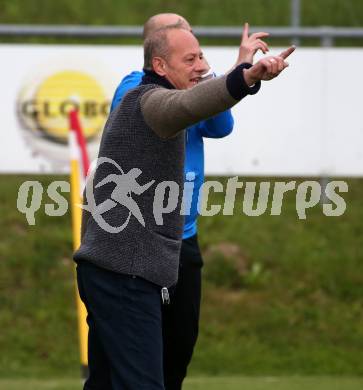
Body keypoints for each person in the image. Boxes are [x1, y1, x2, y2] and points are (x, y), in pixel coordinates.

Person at [74, 23, 294, 390]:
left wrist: (240, 71)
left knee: (107, 384)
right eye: (190, 59)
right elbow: (189, 104)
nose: (200, 66)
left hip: (118, 269)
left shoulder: (163, 96)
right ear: (160, 66)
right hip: (122, 274)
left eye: (201, 56)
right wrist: (247, 76)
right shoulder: (145, 99)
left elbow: (207, 111)